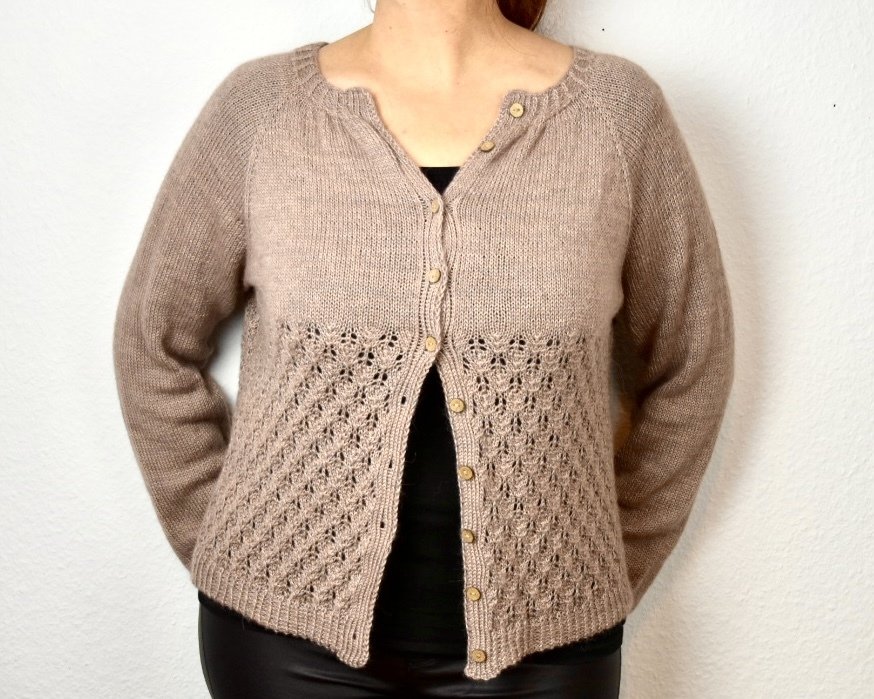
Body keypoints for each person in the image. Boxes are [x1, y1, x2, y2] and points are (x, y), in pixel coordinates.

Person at [112, 0, 735, 697]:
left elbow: (693, 360)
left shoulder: (615, 116)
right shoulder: (264, 111)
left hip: (547, 651)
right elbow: (152, 341)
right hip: (280, 646)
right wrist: (228, 543)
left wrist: (602, 562)